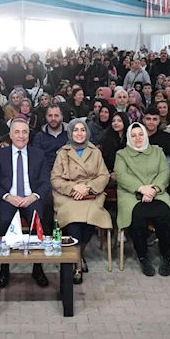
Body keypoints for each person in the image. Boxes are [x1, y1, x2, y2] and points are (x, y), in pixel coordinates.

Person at [0, 120, 51, 288]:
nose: (21, 136)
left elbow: (46, 182)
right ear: (10, 135)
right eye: (17, 132)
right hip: (9, 199)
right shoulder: (0, 155)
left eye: (24, 132)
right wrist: (8, 196)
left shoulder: (38, 154)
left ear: (29, 135)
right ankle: (4, 269)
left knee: (38, 222)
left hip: (31, 198)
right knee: (5, 222)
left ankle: (38, 268)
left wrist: (34, 196)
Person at [50, 119, 111, 284]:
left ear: (87, 132)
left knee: (91, 219)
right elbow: (55, 179)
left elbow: (104, 176)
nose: (79, 133)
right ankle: (76, 263)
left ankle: (76, 255)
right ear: (70, 132)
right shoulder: (62, 153)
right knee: (74, 224)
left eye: (82, 130)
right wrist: (74, 188)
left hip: (91, 195)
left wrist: (87, 188)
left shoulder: (95, 152)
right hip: (68, 196)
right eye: (75, 130)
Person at [115, 122, 170, 277]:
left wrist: (153, 190)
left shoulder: (157, 151)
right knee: (137, 215)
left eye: (140, 134)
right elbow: (121, 176)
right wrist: (141, 188)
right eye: (133, 135)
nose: (137, 138)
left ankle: (166, 256)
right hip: (131, 194)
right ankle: (143, 257)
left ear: (146, 135)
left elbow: (164, 171)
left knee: (164, 214)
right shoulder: (122, 154)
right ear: (129, 137)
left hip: (157, 192)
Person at [31, 105, 69, 172]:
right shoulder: (39, 137)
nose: (53, 118)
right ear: (46, 117)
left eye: (56, 115)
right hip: (47, 173)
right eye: (50, 116)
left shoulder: (70, 135)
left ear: (62, 117)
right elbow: (37, 160)